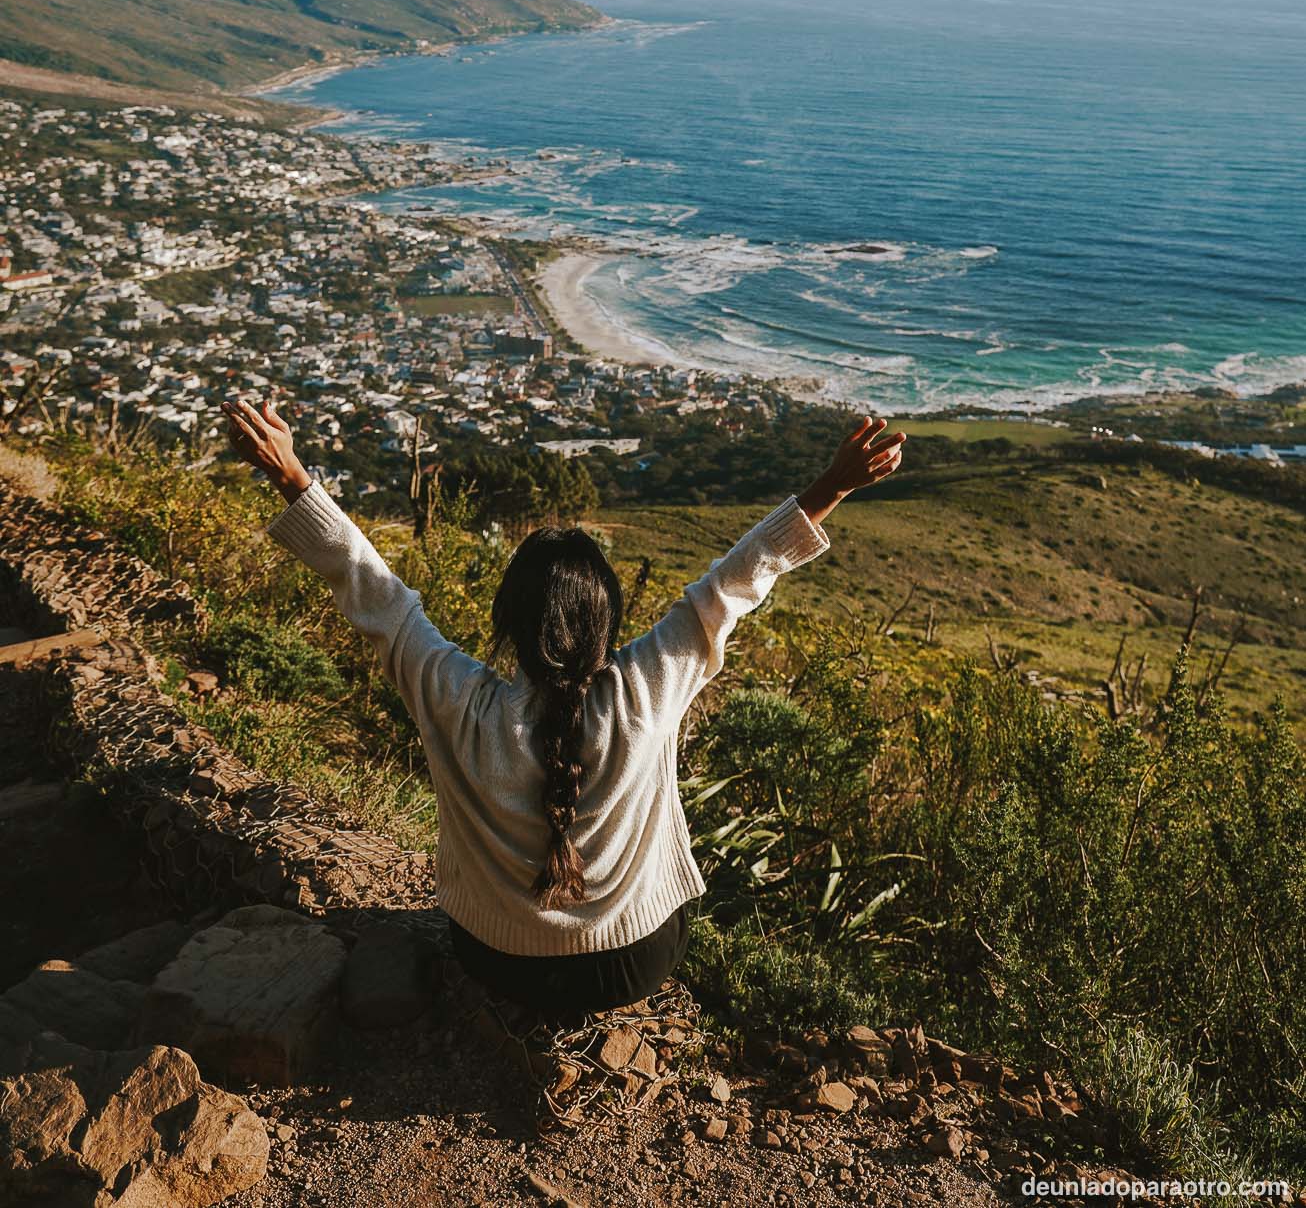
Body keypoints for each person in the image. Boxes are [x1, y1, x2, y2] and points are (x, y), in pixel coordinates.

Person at [222, 393, 906, 1022]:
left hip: (494, 957)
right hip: (635, 960)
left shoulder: (453, 695)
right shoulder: (648, 685)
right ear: (607, 624)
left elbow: (372, 588)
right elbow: (737, 579)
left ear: (508, 623)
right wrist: (832, 485)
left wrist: (291, 476)